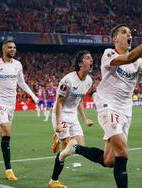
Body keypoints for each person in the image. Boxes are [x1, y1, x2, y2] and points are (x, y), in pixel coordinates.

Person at [60, 16, 142, 188]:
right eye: (124, 32)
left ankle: (75, 148)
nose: (129, 35)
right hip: (108, 106)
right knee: (123, 150)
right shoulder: (109, 54)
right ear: (115, 39)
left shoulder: (139, 61)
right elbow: (127, 58)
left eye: (130, 33)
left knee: (109, 161)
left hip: (125, 111)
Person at [0, 40, 38, 181]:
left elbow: (21, 82)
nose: (13, 49)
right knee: (7, 132)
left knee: (2, 133)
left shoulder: (18, 65)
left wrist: (34, 96)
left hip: (11, 104)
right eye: (10, 47)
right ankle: (9, 170)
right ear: (3, 49)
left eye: (14, 47)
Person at [48, 50, 94, 188]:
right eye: (87, 58)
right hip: (61, 114)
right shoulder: (67, 81)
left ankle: (58, 138)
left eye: (91, 58)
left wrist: (84, 119)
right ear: (80, 63)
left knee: (80, 148)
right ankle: (54, 181)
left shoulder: (89, 81)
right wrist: (57, 124)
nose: (91, 60)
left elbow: (79, 100)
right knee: (67, 147)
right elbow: (59, 102)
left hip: (73, 116)